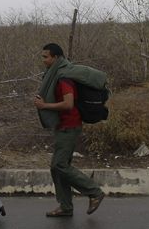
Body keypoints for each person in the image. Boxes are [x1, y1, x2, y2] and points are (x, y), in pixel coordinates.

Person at [34, 43, 105, 217]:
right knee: (56, 167)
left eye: (46, 57)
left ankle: (94, 192)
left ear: (56, 58)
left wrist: (45, 105)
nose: (43, 60)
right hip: (63, 125)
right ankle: (65, 206)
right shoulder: (56, 74)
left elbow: (68, 104)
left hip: (69, 125)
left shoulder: (64, 77)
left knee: (59, 165)